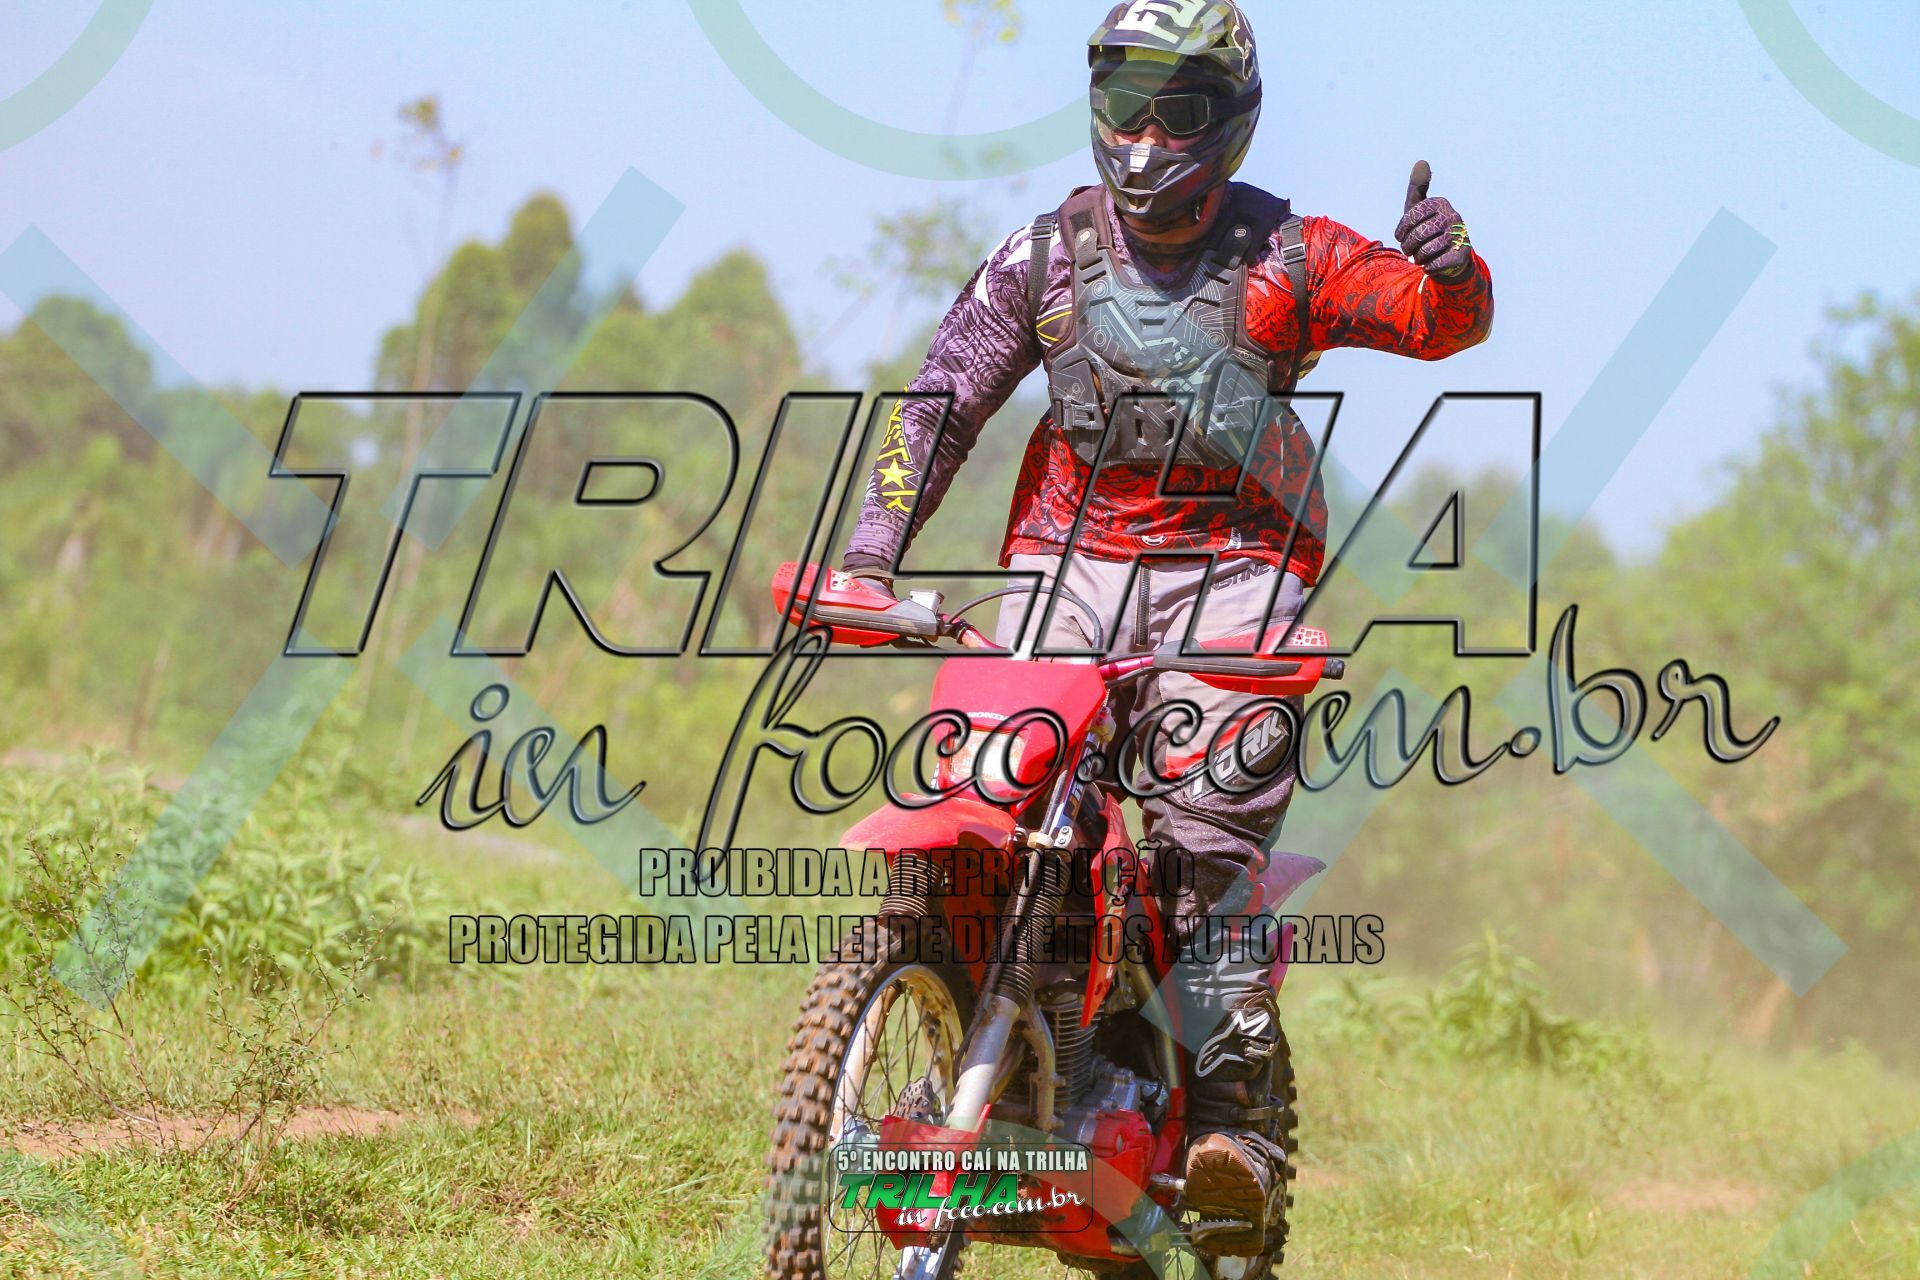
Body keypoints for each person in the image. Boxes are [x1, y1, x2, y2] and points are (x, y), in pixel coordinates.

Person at [841, 0, 1493, 1254]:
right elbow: (936, 400)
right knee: (992, 792)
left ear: (1231, 121)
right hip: (1066, 559)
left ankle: (1232, 1128)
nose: (1144, 136)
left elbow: (1439, 321)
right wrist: (873, 553)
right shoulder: (1041, 258)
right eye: (1125, 100)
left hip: (1240, 573)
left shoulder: (1291, 257)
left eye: (1177, 106)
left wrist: (1451, 263)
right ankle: (978, 1038)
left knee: (1203, 845)